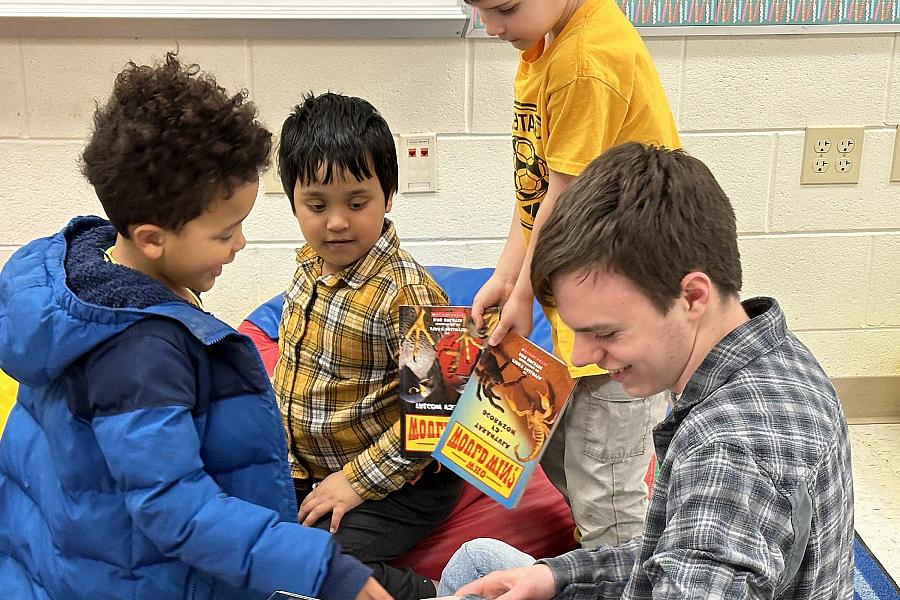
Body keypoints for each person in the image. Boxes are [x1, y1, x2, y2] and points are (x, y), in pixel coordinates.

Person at [0, 54, 389, 600]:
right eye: (226, 232)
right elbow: (174, 507)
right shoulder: (141, 352)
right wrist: (320, 567)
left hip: (58, 563)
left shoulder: (81, 286)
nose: (240, 245)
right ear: (153, 237)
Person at [440, 143, 855, 599]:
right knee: (482, 564)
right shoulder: (774, 352)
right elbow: (673, 551)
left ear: (693, 297)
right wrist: (557, 575)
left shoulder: (729, 451)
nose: (580, 357)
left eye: (607, 332)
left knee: (471, 575)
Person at [464, 0, 681, 547]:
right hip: (584, 295)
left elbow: (560, 199)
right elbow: (534, 189)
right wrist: (504, 275)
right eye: (479, 11)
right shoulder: (542, 44)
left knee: (608, 490)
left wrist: (522, 293)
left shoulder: (585, 60)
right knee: (565, 455)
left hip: (625, 306)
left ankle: (627, 565)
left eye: (504, 9)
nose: (491, 27)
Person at [273, 92, 463, 600]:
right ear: (292, 200)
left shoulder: (410, 293)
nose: (336, 222)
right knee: (259, 547)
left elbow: (436, 419)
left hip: (403, 481)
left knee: (327, 569)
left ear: (389, 195)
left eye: (357, 203)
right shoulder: (308, 269)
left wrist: (354, 483)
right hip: (310, 468)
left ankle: (437, 594)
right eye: (317, 205)